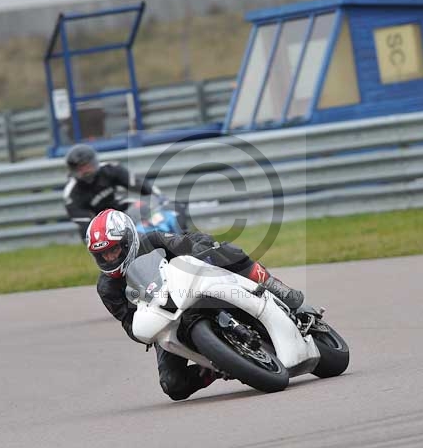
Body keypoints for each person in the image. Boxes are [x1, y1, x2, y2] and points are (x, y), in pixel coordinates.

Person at [86, 208, 306, 401]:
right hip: (166, 318)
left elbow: (187, 244)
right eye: (102, 255)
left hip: (194, 287)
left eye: (113, 250)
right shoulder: (107, 288)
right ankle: (216, 367)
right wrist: (145, 328)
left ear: (128, 240)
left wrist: (205, 252)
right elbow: (128, 323)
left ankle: (273, 285)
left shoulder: (153, 241)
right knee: (173, 385)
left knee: (226, 252)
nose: (109, 258)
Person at [63, 143, 167, 240]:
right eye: (81, 168)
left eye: (88, 166)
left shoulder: (110, 169)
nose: (86, 171)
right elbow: (84, 224)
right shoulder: (71, 194)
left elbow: (139, 184)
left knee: (143, 206)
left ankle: (163, 235)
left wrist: (160, 199)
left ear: (94, 162)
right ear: (73, 170)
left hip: (119, 209)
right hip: (100, 224)